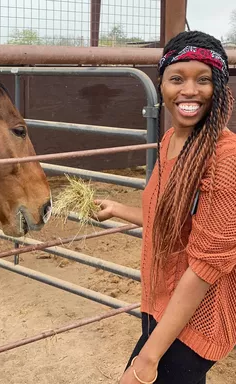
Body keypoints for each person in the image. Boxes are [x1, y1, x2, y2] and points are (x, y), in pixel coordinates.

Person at [94, 30, 236, 384]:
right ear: (162, 85)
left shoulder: (224, 158)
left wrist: (147, 359)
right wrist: (120, 209)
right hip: (160, 301)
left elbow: (205, 268)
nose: (189, 90)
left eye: (203, 80)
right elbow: (169, 215)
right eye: (177, 78)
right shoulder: (172, 139)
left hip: (195, 316)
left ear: (219, 88)